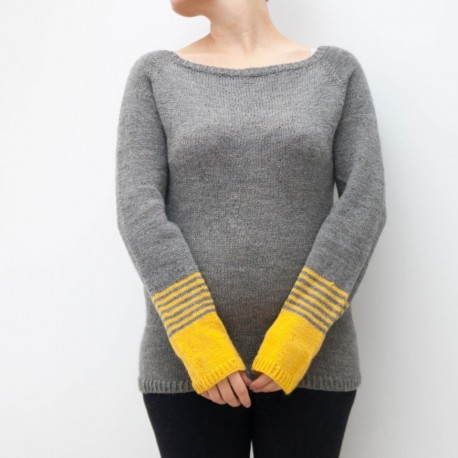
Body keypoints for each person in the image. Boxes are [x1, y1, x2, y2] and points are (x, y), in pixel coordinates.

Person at [115, 0, 387, 456]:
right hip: (188, 363)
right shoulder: (156, 76)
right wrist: (199, 340)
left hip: (312, 358)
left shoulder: (335, 73)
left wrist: (299, 335)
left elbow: (365, 204)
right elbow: (137, 210)